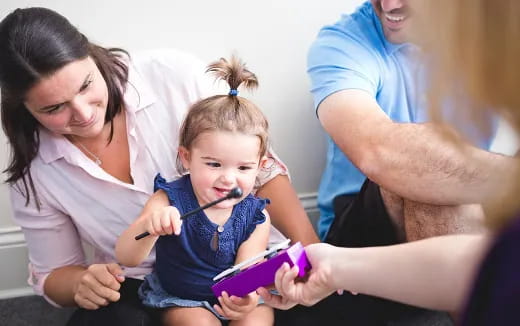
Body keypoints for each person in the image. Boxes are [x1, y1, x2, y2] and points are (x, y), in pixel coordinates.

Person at [0, 7, 318, 325]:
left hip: (247, 276)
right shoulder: (37, 170)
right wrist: (80, 283)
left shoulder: (170, 74)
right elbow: (57, 272)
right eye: (54, 107)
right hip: (157, 286)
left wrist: (313, 253)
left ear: (91, 55)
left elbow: (261, 173)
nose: (83, 114)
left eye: (85, 86)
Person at [260, 0, 520, 324]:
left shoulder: (493, 33)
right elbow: (379, 151)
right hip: (362, 223)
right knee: (425, 176)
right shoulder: (343, 42)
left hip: (474, 212)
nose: (389, 4)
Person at [115, 56, 275, 325]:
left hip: (232, 296)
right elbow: (126, 257)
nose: (228, 178)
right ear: (186, 158)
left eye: (244, 168)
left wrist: (246, 299)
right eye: (213, 164)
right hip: (183, 298)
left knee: (257, 319)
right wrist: (150, 226)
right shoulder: (168, 199)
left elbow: (247, 271)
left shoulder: (256, 217)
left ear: (261, 166)